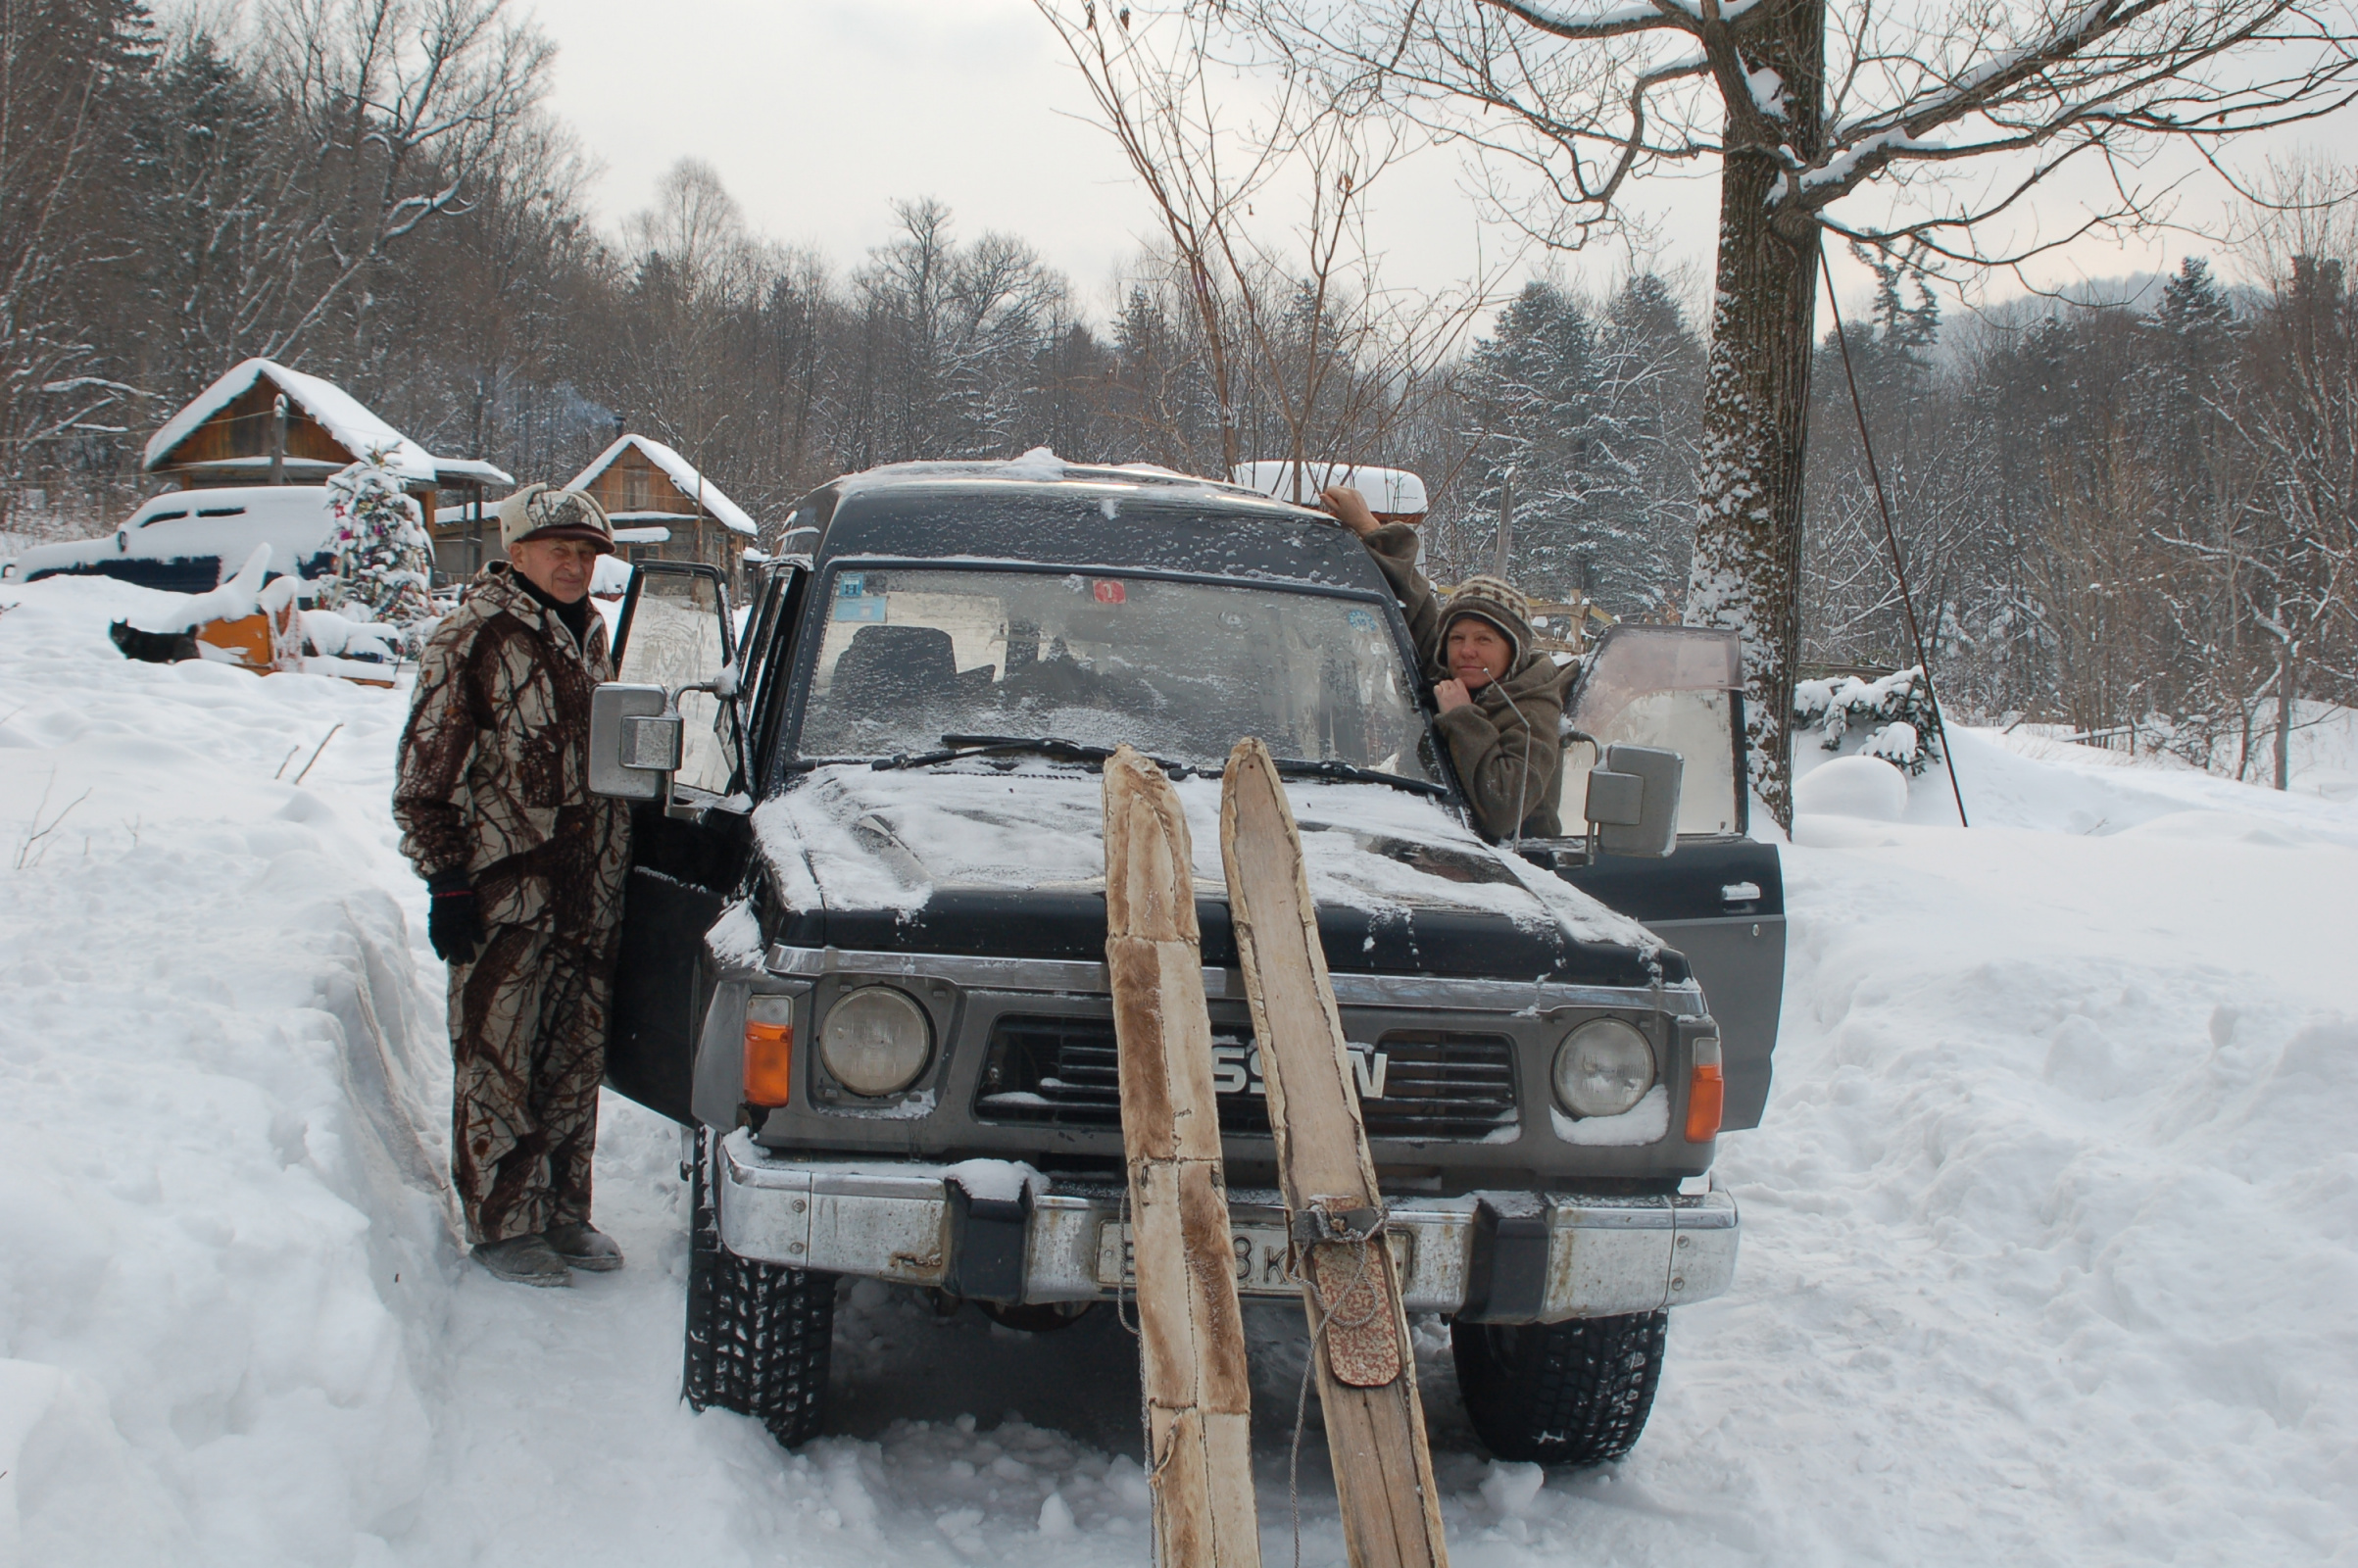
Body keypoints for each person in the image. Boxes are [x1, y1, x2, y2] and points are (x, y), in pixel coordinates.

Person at [393, 484, 632, 1288]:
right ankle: (503, 1227)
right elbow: (426, 776)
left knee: (571, 1056)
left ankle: (563, 1213)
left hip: (586, 893)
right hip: (506, 894)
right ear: (516, 550)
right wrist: (448, 883)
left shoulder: (589, 634)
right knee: (498, 1057)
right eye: (557, 549)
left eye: (587, 552)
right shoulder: (474, 636)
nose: (573, 565)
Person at [1322, 484, 1566, 841]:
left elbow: (1503, 810)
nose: (1467, 651)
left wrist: (1461, 717)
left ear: (1513, 649)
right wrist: (1369, 528)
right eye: (1457, 638)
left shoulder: (1532, 708)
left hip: (1510, 869)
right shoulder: (1448, 675)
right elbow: (1415, 601)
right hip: (1422, 842)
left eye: (1484, 639)